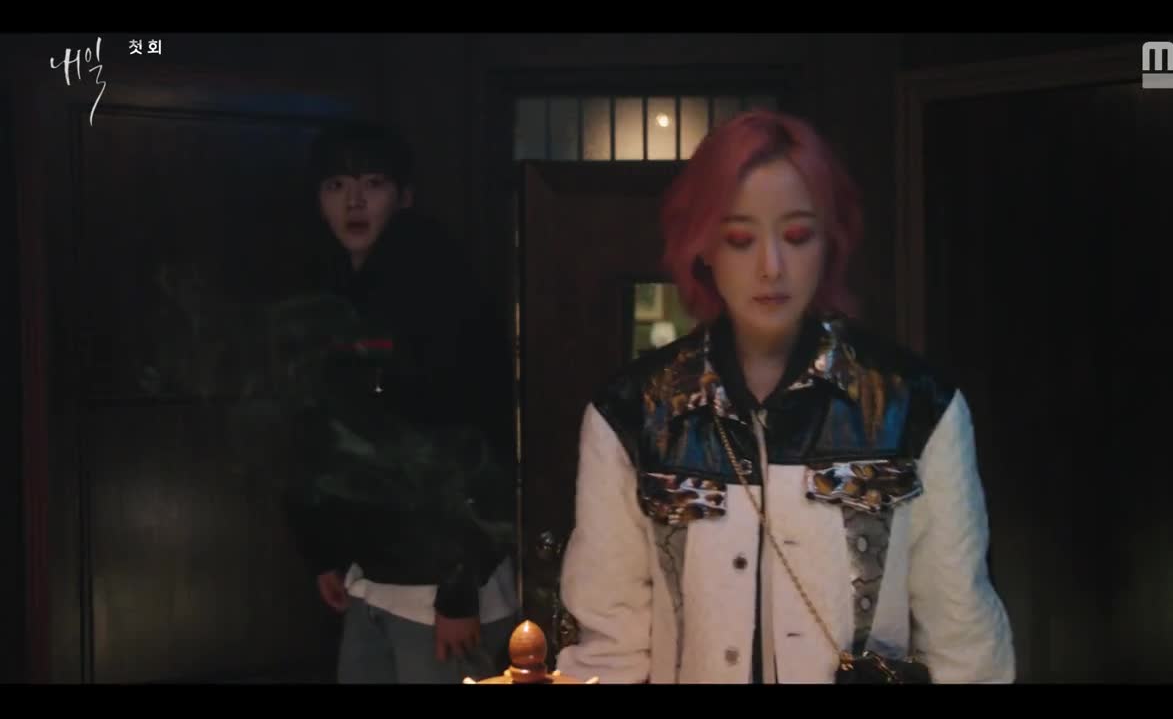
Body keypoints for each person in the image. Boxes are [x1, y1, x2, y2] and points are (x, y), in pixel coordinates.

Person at [552, 110, 1015, 684]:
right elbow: (610, 648)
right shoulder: (634, 411)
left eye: (797, 236)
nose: (771, 267)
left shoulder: (915, 405)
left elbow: (962, 641)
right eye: (740, 239)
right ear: (703, 246)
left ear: (830, 241)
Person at [279, 120, 518, 683]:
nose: (354, 201)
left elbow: (477, 444)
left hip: (443, 588)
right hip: (370, 577)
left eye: (373, 184)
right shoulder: (333, 294)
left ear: (404, 196)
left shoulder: (444, 293)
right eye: (336, 185)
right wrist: (325, 552)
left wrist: (459, 588)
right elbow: (321, 438)